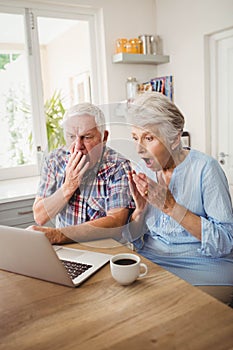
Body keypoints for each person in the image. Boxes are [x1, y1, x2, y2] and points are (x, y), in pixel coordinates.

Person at [124, 91, 233, 304]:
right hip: (153, 260)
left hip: (203, 264)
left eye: (148, 138)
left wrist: (171, 207)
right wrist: (138, 211)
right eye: (135, 138)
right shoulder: (143, 170)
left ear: (174, 139)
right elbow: (135, 238)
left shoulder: (206, 169)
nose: (139, 149)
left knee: (171, 310)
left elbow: (226, 242)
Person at [30, 102, 135, 244]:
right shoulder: (54, 160)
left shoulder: (118, 166)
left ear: (104, 138)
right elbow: (40, 215)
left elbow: (116, 223)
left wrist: (58, 235)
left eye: (87, 137)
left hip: (105, 250)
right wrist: (68, 187)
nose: (78, 146)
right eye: (71, 137)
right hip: (67, 250)